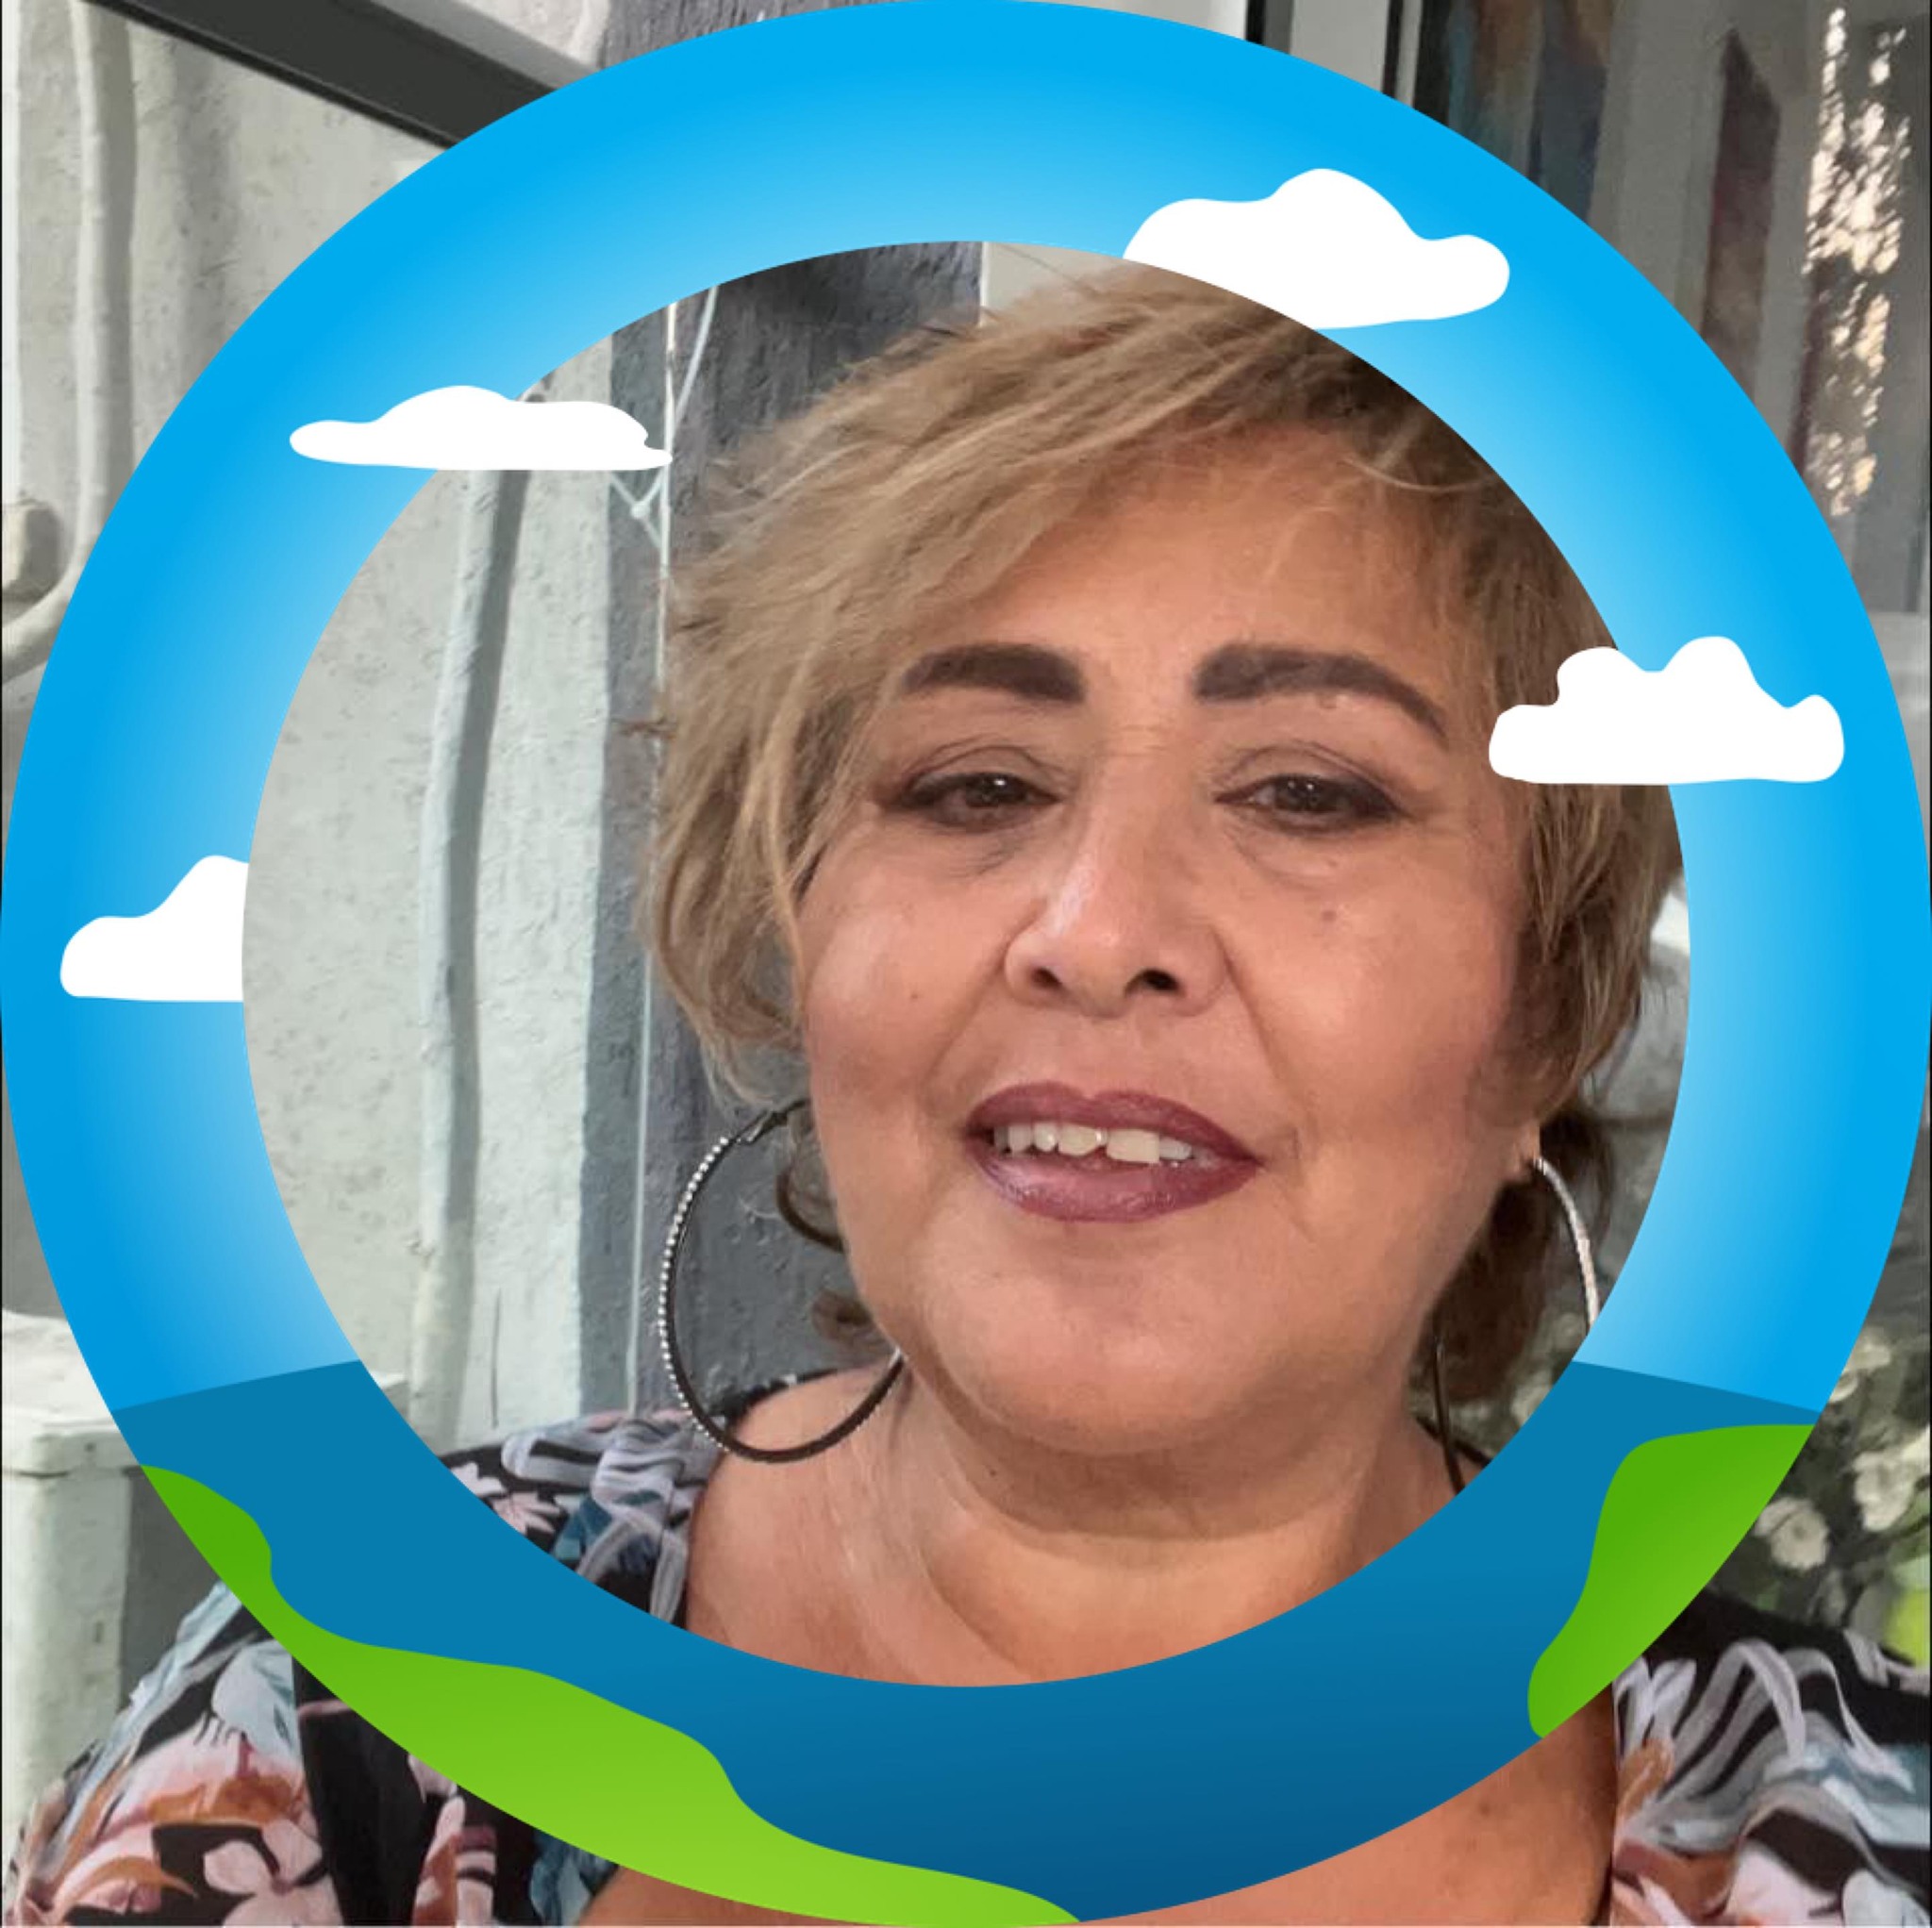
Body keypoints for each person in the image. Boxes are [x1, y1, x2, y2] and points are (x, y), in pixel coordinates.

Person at [6, 267, 1926, 1927]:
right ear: (803, 937)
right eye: (977, 782)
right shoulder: (345, 1691)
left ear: (1544, 1019)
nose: (1099, 931)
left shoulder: (1858, 1825)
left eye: (1308, 791)